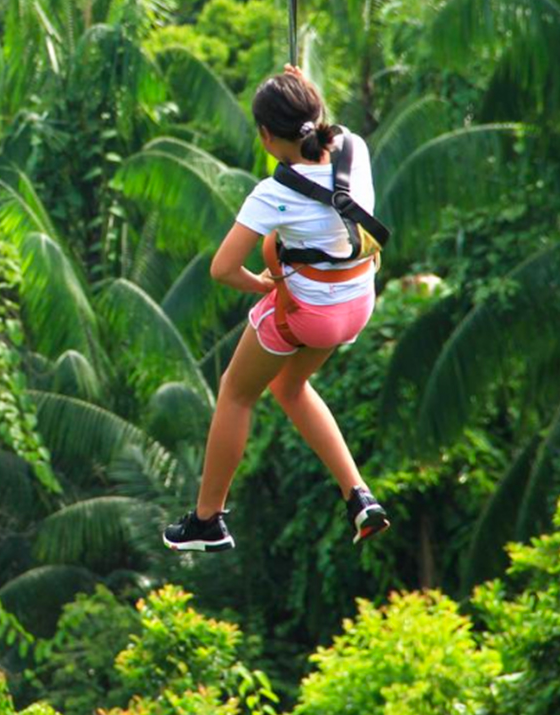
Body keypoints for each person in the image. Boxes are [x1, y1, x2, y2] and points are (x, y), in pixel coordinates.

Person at [162, 65, 390, 553]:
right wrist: (302, 88)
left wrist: (260, 284)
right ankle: (359, 495)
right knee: (290, 386)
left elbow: (223, 268)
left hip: (308, 312)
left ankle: (207, 520)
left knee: (236, 393)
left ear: (266, 137)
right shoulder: (355, 147)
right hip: (357, 301)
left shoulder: (274, 193)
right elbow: (323, 126)